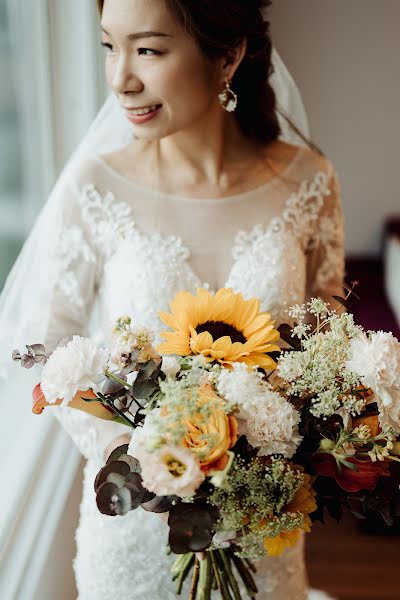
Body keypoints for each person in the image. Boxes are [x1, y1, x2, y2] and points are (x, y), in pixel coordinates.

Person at [0, 0, 344, 598]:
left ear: (228, 56)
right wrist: (127, 451)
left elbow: (327, 343)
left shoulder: (309, 181)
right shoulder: (94, 187)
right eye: (110, 46)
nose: (120, 78)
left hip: (262, 531)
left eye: (149, 50)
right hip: (133, 530)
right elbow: (44, 346)